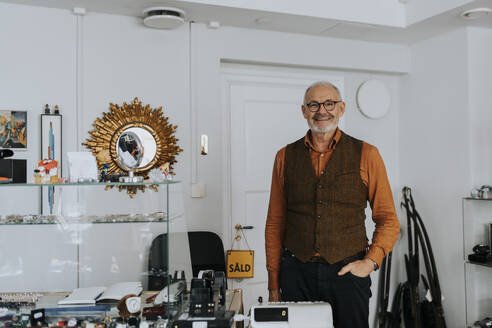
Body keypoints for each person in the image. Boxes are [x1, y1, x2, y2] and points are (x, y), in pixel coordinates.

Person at [265, 81, 400, 328]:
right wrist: (274, 284)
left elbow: (388, 220)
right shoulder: (284, 156)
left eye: (329, 103)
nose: (322, 111)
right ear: (304, 111)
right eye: (314, 105)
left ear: (341, 108)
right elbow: (275, 223)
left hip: (348, 273)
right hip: (297, 274)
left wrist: (370, 262)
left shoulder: (367, 154)